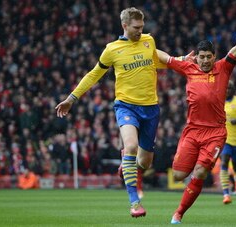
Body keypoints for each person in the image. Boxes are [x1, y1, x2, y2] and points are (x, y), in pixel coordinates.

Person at [156, 2, 236, 224]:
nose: (205, 60)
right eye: (201, 57)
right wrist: (143, 42)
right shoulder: (188, 67)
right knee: (178, 175)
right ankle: (190, 193)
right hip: (192, 131)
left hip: (215, 133)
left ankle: (178, 213)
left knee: (200, 173)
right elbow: (162, 57)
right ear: (196, 57)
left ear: (214, 57)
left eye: (209, 57)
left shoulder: (224, 68)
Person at [55, 7, 165, 218]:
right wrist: (71, 98)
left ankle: (127, 162)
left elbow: (157, 62)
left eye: (142, 27)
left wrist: (181, 62)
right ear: (125, 25)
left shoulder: (148, 40)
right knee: (131, 145)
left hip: (151, 107)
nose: (140, 31)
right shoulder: (112, 49)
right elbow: (93, 75)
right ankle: (134, 203)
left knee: (145, 162)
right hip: (126, 106)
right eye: (136, 27)